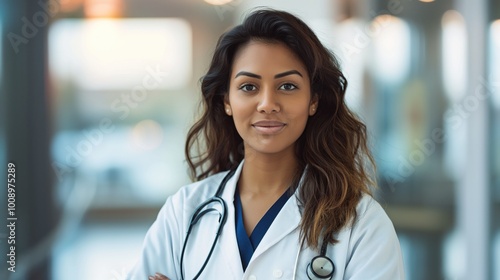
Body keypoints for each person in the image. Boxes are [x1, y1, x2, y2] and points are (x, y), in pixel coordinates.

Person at [127, 8, 405, 280]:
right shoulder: (185, 212)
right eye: (249, 87)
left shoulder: (362, 225)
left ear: (313, 101)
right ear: (226, 101)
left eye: (287, 86)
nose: (267, 104)